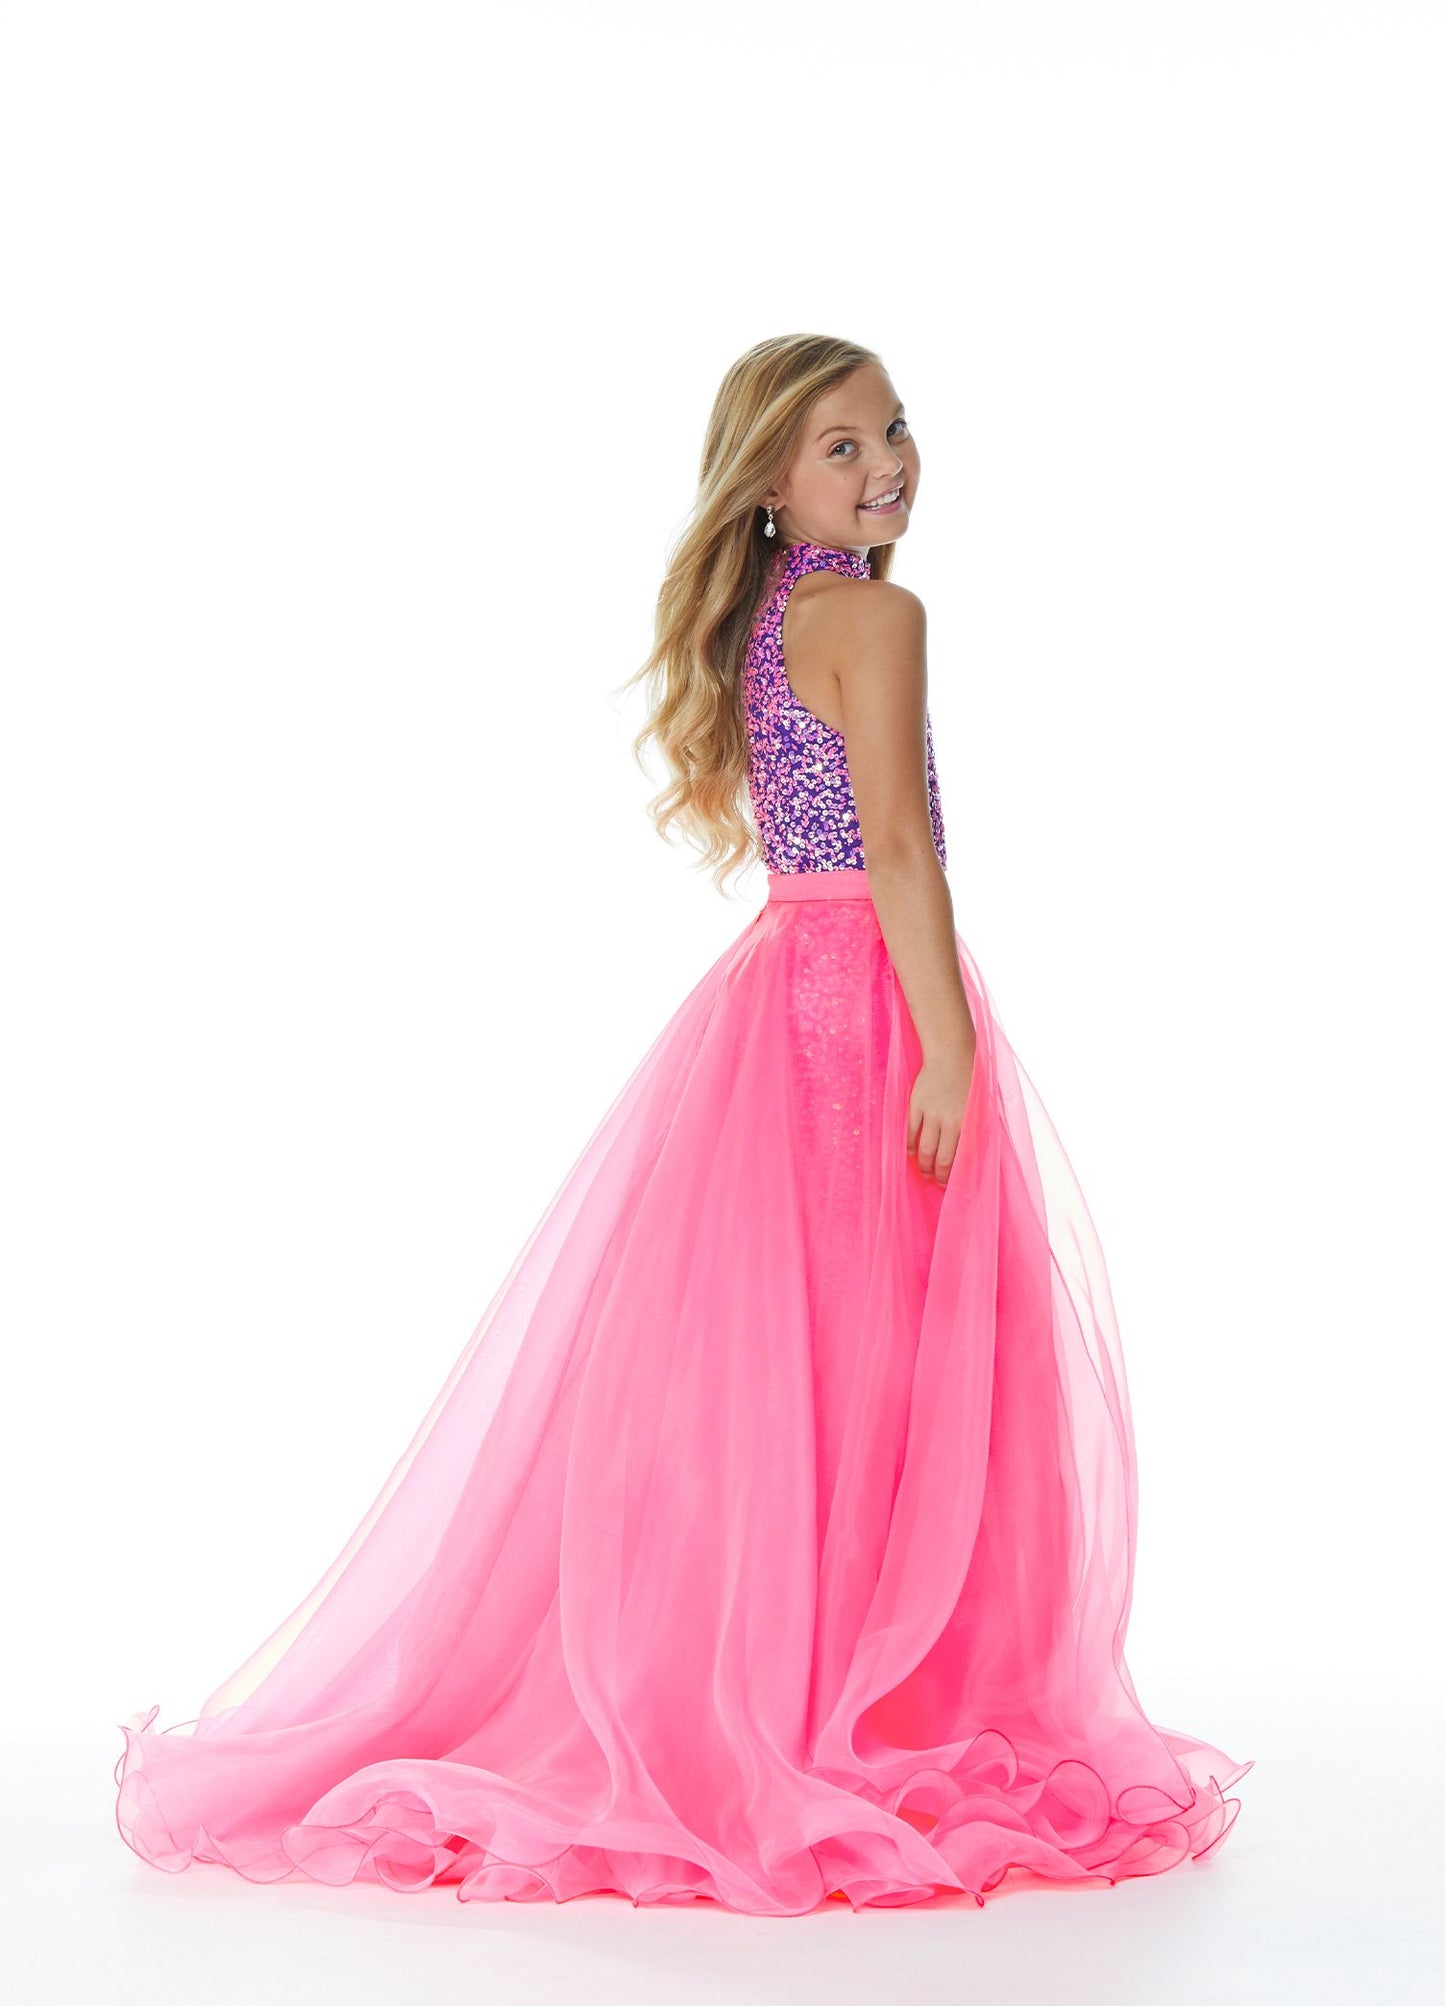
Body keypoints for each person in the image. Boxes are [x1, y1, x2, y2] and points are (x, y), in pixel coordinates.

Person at [114, 332, 1252, 1917]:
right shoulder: (877, 613)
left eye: (894, 430)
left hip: (784, 990)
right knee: (884, 1351)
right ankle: (860, 1706)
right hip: (870, 995)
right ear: (769, 481)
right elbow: (900, 849)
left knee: (798, 1362)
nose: (886, 464)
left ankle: (791, 1689)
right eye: (840, 446)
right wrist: (944, 1043)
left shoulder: (772, 614)